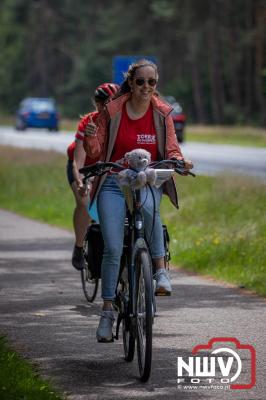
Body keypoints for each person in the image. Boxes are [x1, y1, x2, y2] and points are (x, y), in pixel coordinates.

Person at [83, 59, 193, 342]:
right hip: (113, 182)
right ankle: (107, 311)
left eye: (151, 82)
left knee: (151, 209)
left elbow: (171, 148)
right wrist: (89, 140)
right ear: (130, 83)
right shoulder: (112, 110)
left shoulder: (162, 113)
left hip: (147, 178)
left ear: (156, 85)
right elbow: (97, 152)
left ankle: (159, 274)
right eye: (140, 81)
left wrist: (179, 162)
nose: (146, 87)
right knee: (112, 248)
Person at [66, 83, 119, 271]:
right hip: (83, 167)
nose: (106, 106)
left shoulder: (122, 121)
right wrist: (81, 183)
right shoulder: (88, 123)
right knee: (84, 202)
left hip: (105, 168)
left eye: (111, 102)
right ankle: (79, 247)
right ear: (96, 103)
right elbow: (78, 161)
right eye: (101, 102)